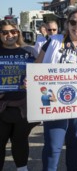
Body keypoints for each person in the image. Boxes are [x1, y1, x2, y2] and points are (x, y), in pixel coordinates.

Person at [35, 6, 77, 171]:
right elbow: (37, 67)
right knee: (52, 147)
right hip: (55, 104)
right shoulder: (53, 42)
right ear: (67, 24)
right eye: (73, 22)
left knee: (74, 145)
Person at [0, 20, 39, 171]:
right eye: (5, 32)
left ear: (18, 33)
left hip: (23, 106)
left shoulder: (29, 51)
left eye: (13, 32)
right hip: (2, 107)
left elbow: (40, 77)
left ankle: (22, 169)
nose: (10, 35)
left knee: (20, 141)